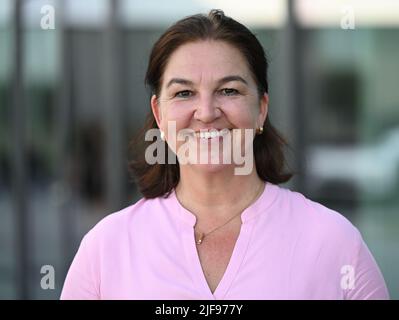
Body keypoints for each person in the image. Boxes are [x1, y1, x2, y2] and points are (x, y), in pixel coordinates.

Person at [61, 10, 389, 300]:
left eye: (229, 90)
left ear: (261, 109)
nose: (206, 112)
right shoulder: (106, 249)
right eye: (184, 93)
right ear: (159, 115)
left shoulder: (334, 243)